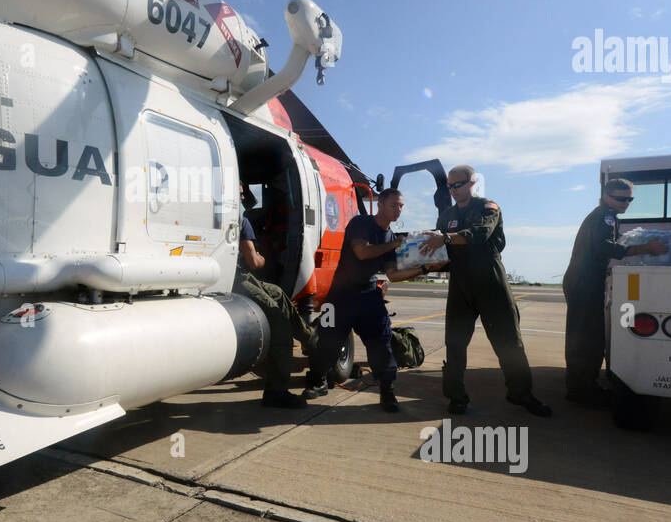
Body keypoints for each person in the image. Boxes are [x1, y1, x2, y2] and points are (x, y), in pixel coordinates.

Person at [419, 165, 552, 417]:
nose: (454, 190)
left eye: (458, 185)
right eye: (450, 186)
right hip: (461, 284)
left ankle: (521, 393)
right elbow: (441, 249)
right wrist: (418, 260)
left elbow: (479, 234)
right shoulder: (446, 216)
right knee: (455, 343)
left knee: (508, 341)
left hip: (490, 281)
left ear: (471, 183)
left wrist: (445, 238)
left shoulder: (487, 207)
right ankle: (456, 397)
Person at [303, 188, 447, 412]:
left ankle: (387, 390)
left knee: (381, 342)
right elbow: (362, 252)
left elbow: (393, 275)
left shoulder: (390, 237)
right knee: (328, 338)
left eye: (401, 206)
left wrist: (425, 268)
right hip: (340, 294)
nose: (398, 210)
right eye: (394, 205)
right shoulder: (361, 223)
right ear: (380, 205)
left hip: (369, 294)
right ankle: (318, 381)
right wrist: (393, 245)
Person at [562, 179, 668, 407]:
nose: (626, 203)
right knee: (588, 338)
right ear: (607, 195)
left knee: (583, 335)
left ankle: (579, 386)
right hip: (584, 282)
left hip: (582, 280)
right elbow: (604, 247)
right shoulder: (605, 216)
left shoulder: (603, 215)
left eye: (630, 199)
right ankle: (582, 391)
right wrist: (646, 248)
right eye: (621, 198)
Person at [233, 184, 318, 409]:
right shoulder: (240, 219)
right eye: (239, 191)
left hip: (233, 275)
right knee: (280, 325)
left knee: (278, 293)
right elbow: (253, 261)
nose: (243, 195)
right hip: (237, 279)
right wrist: (264, 257)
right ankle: (276, 391)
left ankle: (310, 338)